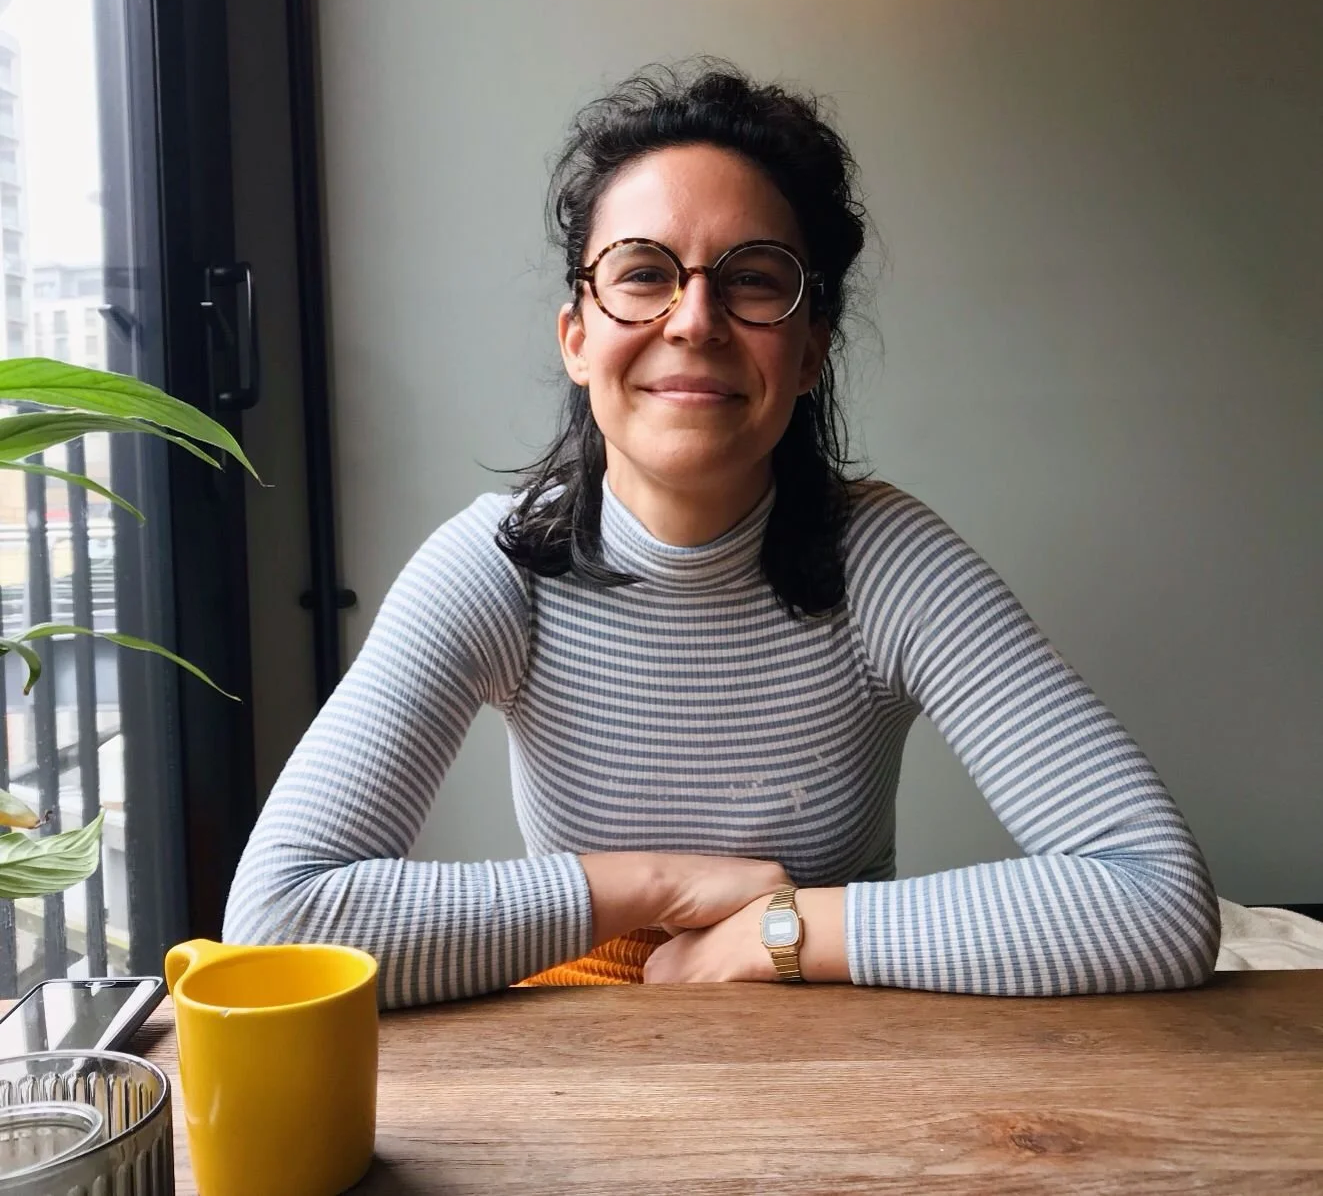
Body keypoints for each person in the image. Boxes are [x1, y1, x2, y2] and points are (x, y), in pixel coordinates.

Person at [224, 60, 1220, 1007]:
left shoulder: (885, 563)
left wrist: (777, 934)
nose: (694, 319)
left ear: (811, 352)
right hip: (580, 1052)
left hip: (819, 1033)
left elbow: (1157, 899)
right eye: (643, 272)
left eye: (752, 279)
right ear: (578, 336)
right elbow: (275, 923)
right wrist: (657, 885)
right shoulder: (497, 569)